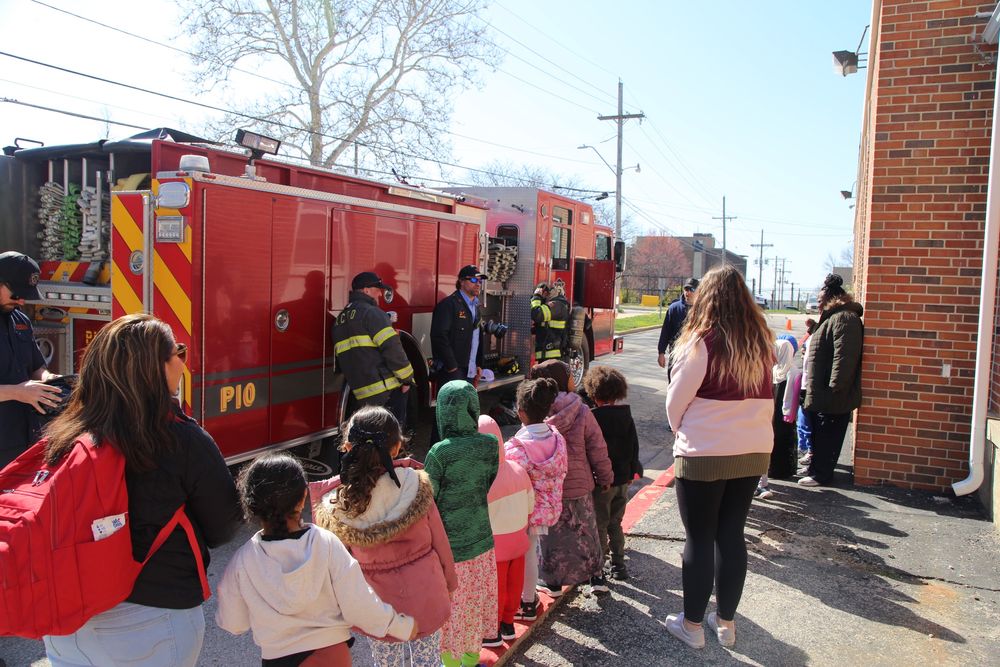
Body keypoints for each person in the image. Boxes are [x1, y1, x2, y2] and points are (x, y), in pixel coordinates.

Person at [41, 313, 242, 667]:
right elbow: (224, 526)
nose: (183, 361)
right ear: (158, 367)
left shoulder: (65, 431)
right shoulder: (181, 439)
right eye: (177, 352)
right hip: (152, 620)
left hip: (66, 619)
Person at [217, 452, 418, 666]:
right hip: (331, 656)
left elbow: (233, 622)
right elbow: (359, 604)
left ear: (251, 504)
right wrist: (400, 626)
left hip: (277, 659)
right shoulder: (325, 543)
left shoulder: (243, 560)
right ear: (303, 496)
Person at [664, 265, 774, 649]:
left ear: (707, 297)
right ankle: (726, 624)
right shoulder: (762, 342)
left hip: (705, 452)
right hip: (753, 451)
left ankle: (692, 626)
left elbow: (675, 403)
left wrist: (681, 432)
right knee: (731, 535)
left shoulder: (701, 341)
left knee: (699, 536)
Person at [312, 406, 453, 667]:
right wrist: (450, 583)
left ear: (346, 446)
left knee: (386, 663)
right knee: (429, 661)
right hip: (427, 594)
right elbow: (440, 541)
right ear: (397, 447)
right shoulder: (415, 485)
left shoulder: (337, 506)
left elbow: (337, 570)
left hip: (376, 606)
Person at [423, 380, 499, 667]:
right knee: (474, 608)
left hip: (449, 550)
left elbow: (428, 501)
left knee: (451, 614)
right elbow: (487, 482)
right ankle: (470, 661)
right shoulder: (489, 445)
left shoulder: (440, 453)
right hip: (482, 540)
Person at [527, 360, 613, 595]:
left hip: (550, 489)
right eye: (570, 376)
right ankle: (596, 577)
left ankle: (552, 581)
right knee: (586, 530)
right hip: (581, 486)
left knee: (553, 537)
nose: (574, 380)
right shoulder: (582, 410)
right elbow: (597, 447)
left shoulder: (538, 410)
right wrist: (605, 476)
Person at [503, 377, 567, 622]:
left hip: (523, 512)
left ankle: (526, 601)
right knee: (532, 552)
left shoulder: (515, 448)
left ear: (520, 412)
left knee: (524, 556)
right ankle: (529, 598)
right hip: (549, 508)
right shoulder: (557, 438)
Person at [799, 273, 864, 487]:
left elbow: (845, 354)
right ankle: (816, 470)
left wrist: (837, 387)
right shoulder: (833, 318)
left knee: (828, 436)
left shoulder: (844, 318)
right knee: (821, 434)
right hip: (822, 391)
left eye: (819, 301)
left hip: (831, 393)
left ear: (830, 300)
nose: (817, 305)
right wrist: (812, 330)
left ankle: (821, 475)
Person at [0, 251, 61, 468]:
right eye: (16, 293)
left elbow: (36, 367)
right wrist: (18, 392)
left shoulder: (21, 320)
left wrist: (50, 379)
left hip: (24, 440)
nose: (22, 300)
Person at [478, 415, 534, 648]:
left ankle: (493, 629)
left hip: (496, 545)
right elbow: (531, 504)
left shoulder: (482, 478)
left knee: (497, 587)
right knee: (514, 582)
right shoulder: (517, 469)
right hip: (519, 540)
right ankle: (509, 622)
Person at [582, 365, 642, 580]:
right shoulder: (626, 416)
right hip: (622, 480)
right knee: (615, 523)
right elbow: (633, 446)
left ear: (593, 393)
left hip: (602, 482)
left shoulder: (592, 418)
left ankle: (598, 567)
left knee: (600, 524)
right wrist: (633, 469)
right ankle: (618, 565)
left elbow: (590, 451)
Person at [333, 271, 415, 428]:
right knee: (392, 439)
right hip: (387, 390)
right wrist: (407, 379)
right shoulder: (372, 313)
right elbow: (393, 349)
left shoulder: (340, 319)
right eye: (378, 288)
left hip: (362, 395)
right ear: (366, 290)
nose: (380, 293)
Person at [757, 334, 799, 500]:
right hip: (769, 418)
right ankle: (762, 481)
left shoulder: (790, 372)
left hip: (776, 418)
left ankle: (763, 482)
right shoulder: (768, 370)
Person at [430, 265, 487, 386]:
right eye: (473, 280)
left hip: (470, 370)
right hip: (453, 371)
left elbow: (477, 337)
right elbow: (439, 336)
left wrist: (478, 364)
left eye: (480, 281)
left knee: (465, 405)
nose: (477, 284)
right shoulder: (448, 305)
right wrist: (452, 367)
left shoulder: (476, 306)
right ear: (461, 282)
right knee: (452, 405)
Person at [656, 277, 699, 376]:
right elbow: (665, 332)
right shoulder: (674, 308)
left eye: (691, 289)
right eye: (686, 289)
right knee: (673, 381)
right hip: (676, 354)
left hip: (695, 355)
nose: (688, 292)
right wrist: (661, 352)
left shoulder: (703, 310)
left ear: (698, 291)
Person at [530, 282, 569, 362]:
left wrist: (536, 296)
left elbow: (537, 314)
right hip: (547, 357)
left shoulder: (556, 305)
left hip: (554, 359)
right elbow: (544, 326)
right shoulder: (556, 306)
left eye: (546, 292)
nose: (544, 295)